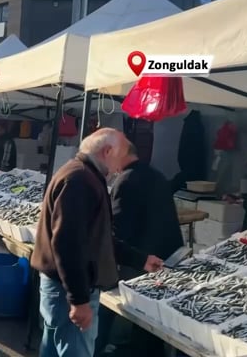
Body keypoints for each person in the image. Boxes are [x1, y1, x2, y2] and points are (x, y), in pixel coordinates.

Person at [30, 128, 164, 357]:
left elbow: (95, 238)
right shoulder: (80, 180)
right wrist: (79, 300)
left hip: (62, 288)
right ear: (107, 151)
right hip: (68, 291)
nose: (120, 165)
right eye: (120, 156)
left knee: (53, 349)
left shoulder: (83, 174)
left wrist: (140, 259)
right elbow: (67, 244)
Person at [95, 143, 184, 357]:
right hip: (166, 255)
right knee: (152, 322)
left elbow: (117, 229)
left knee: (123, 312)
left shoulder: (126, 180)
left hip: (140, 260)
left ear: (120, 155)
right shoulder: (157, 175)